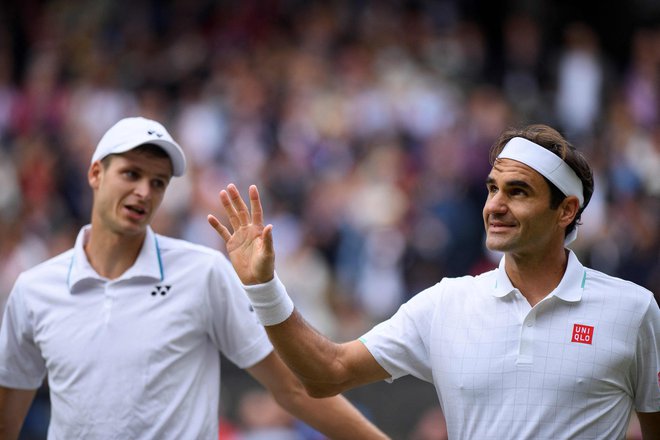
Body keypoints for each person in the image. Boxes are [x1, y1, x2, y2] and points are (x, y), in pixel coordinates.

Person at [208, 124, 660, 439]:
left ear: (566, 211)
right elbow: (327, 374)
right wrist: (264, 288)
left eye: (517, 191)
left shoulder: (633, 310)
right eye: (492, 188)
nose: (495, 205)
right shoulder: (447, 302)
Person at [0, 116, 388, 440]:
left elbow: (293, 388)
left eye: (158, 182)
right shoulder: (34, 290)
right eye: (131, 174)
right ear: (95, 173)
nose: (144, 192)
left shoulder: (203, 272)